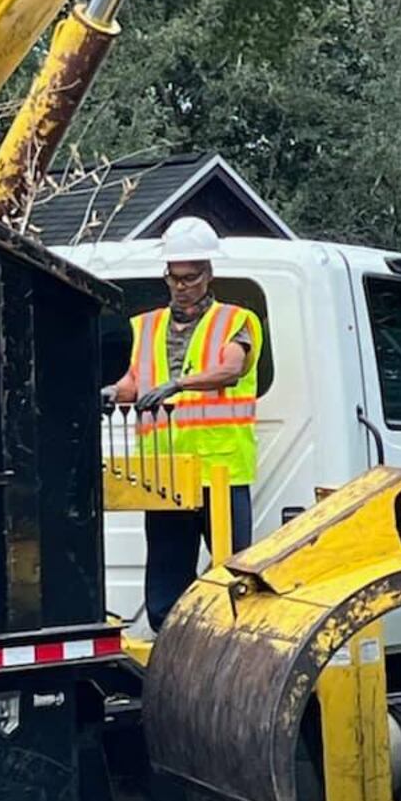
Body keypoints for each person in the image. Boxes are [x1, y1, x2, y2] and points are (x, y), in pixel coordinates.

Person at [102, 216, 262, 631]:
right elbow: (132, 383)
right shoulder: (145, 326)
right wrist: (107, 393)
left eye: (190, 278)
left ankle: (228, 644)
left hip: (220, 473)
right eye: (175, 278)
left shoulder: (236, 320)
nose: (182, 286)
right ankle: (173, 645)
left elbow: (230, 369)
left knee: (233, 575)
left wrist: (177, 383)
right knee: (164, 584)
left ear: (208, 274)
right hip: (165, 476)